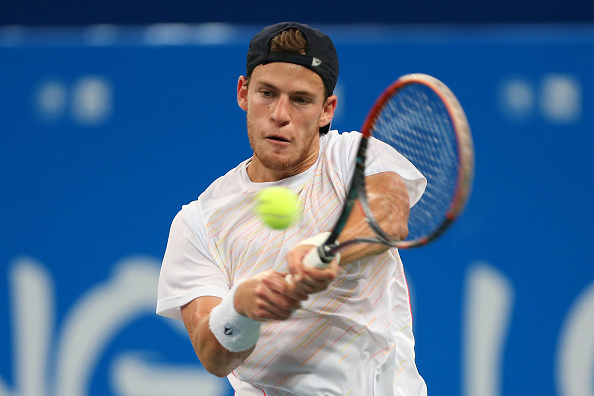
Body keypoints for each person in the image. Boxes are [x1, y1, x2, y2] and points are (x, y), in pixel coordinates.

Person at [157, 21, 428, 395]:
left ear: (326, 110)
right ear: (243, 92)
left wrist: (326, 248)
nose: (280, 114)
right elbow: (213, 357)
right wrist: (241, 309)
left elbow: (389, 218)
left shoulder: (352, 156)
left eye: (300, 100)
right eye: (267, 93)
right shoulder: (199, 222)